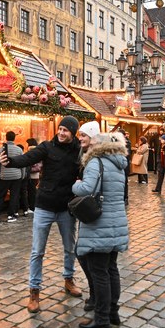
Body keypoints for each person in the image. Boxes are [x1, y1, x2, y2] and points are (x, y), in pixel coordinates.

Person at [0, 116, 83, 313]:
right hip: (44, 206)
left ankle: (69, 280)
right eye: (60, 129)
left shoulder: (79, 149)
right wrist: (10, 162)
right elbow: (28, 158)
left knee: (70, 248)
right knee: (38, 251)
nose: (61, 133)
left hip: (66, 207)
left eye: (66, 130)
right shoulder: (47, 146)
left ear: (73, 133)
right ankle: (34, 292)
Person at [72, 132, 129, 328]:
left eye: (93, 143)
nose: (89, 146)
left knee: (99, 273)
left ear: (100, 146)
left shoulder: (96, 162)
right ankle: (113, 313)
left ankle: (102, 318)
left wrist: (76, 184)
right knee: (111, 268)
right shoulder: (119, 163)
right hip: (117, 221)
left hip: (99, 224)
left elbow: (88, 189)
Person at [75, 121, 101, 314]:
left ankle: (98, 299)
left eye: (84, 135)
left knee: (87, 256)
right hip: (89, 211)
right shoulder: (84, 154)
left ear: (92, 137)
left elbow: (88, 187)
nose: (80, 138)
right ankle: (99, 299)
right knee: (85, 255)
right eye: (80, 135)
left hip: (95, 212)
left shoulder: (95, 158)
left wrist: (76, 185)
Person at [0, 131, 24, 223]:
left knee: (1, 196)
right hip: (17, 176)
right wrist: (23, 175)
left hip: (4, 177)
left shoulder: (1, 149)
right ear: (14, 138)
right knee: (14, 196)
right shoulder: (19, 150)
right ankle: (11, 216)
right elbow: (22, 163)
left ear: (6, 138)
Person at [24, 138, 40, 215]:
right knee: (33, 191)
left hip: (31, 175)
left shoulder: (31, 151)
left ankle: (32, 207)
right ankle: (34, 206)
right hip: (36, 175)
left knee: (31, 192)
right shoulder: (38, 151)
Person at [119, 129, 132, 205]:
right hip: (119, 165)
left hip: (125, 165)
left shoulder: (127, 143)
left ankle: (125, 197)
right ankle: (121, 197)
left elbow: (127, 153)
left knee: (125, 182)